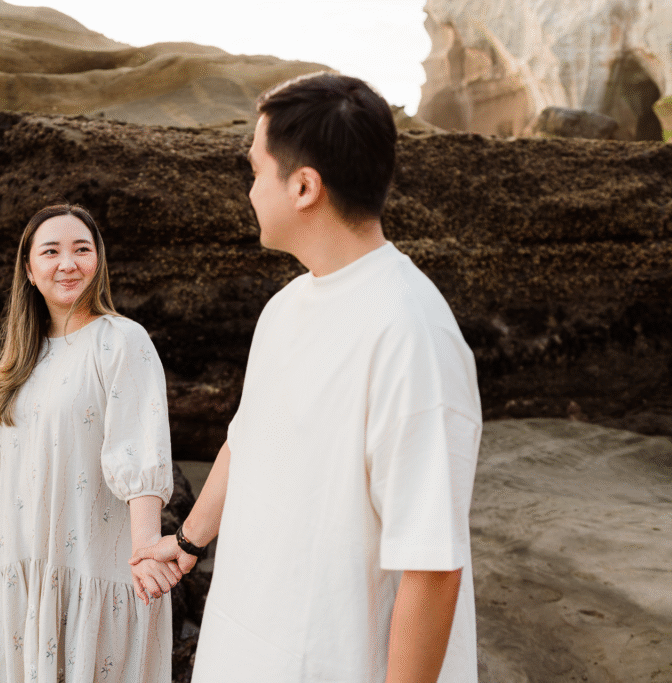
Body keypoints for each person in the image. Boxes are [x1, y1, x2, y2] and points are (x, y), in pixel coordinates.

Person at [131, 73, 482, 683]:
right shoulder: (289, 305)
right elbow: (249, 437)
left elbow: (431, 564)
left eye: (256, 171)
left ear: (302, 187)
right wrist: (186, 544)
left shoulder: (411, 336)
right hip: (248, 647)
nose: (249, 191)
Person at [0, 203, 181, 683]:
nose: (68, 263)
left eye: (82, 249)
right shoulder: (19, 358)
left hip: (96, 565)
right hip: (26, 563)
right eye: (52, 251)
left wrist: (146, 546)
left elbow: (140, 452)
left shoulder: (123, 341)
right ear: (29, 268)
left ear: (98, 261)